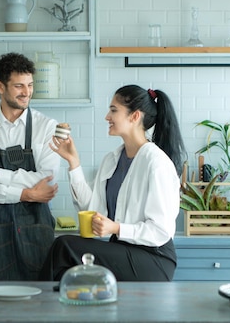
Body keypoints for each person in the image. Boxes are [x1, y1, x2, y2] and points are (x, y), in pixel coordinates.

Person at [40, 85, 186, 282]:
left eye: (114, 110)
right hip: (123, 249)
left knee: (64, 247)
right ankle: (53, 306)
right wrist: (73, 163)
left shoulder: (157, 163)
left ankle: (39, 306)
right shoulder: (113, 159)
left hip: (155, 258)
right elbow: (92, 210)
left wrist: (117, 228)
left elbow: (160, 231)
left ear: (135, 116)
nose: (107, 117)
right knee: (64, 256)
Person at [0, 52, 60, 281]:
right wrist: (26, 193)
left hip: (35, 226)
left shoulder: (46, 126)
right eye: (19, 86)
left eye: (30, 85)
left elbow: (47, 180)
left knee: (37, 302)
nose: (27, 92)